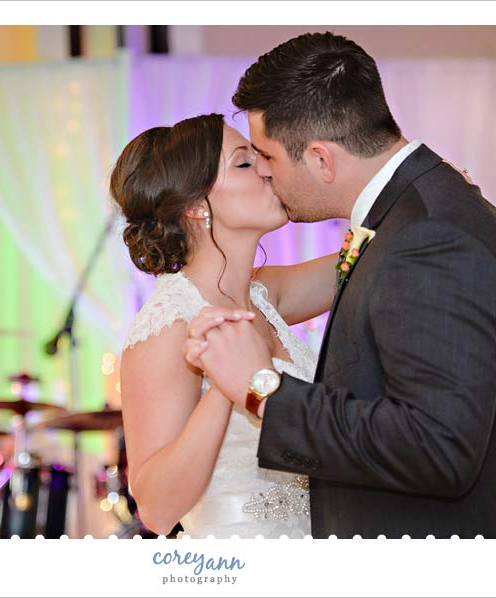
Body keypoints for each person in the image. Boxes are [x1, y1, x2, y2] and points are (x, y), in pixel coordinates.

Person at [185, 32, 496, 538]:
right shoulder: (416, 213)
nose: (263, 172)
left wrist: (264, 390)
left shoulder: (427, 237)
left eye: (268, 156)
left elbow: (437, 447)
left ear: (322, 159)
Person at [111, 113, 340, 538]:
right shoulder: (169, 327)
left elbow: (361, 259)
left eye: (260, 157)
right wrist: (224, 387)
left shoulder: (263, 296)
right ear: (197, 207)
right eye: (243, 163)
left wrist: (411, 203)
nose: (267, 169)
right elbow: (157, 510)